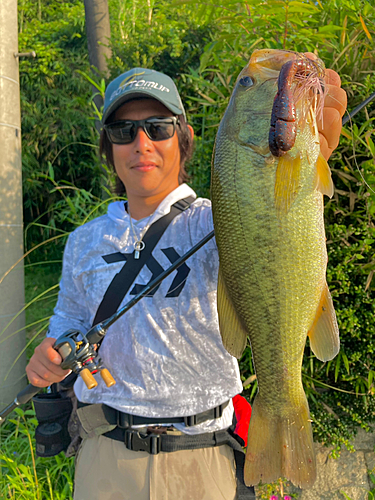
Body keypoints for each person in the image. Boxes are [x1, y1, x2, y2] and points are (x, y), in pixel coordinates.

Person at [26, 57, 347, 500]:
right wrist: (52, 350)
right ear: (108, 147)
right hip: (105, 459)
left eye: (157, 127)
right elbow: (69, 321)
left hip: (203, 459)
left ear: (184, 137)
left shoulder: (216, 222)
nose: (142, 143)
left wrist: (302, 162)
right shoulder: (84, 241)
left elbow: (278, 235)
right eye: (124, 131)